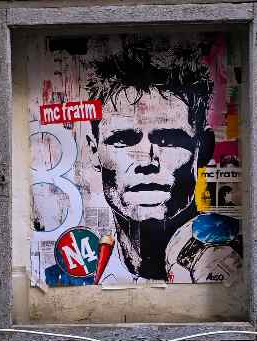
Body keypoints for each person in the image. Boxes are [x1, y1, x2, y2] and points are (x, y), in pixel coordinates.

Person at [85, 38, 215, 283]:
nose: (146, 159)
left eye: (168, 140)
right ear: (94, 150)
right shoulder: (78, 270)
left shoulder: (237, 259)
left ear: (204, 149)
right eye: (122, 139)